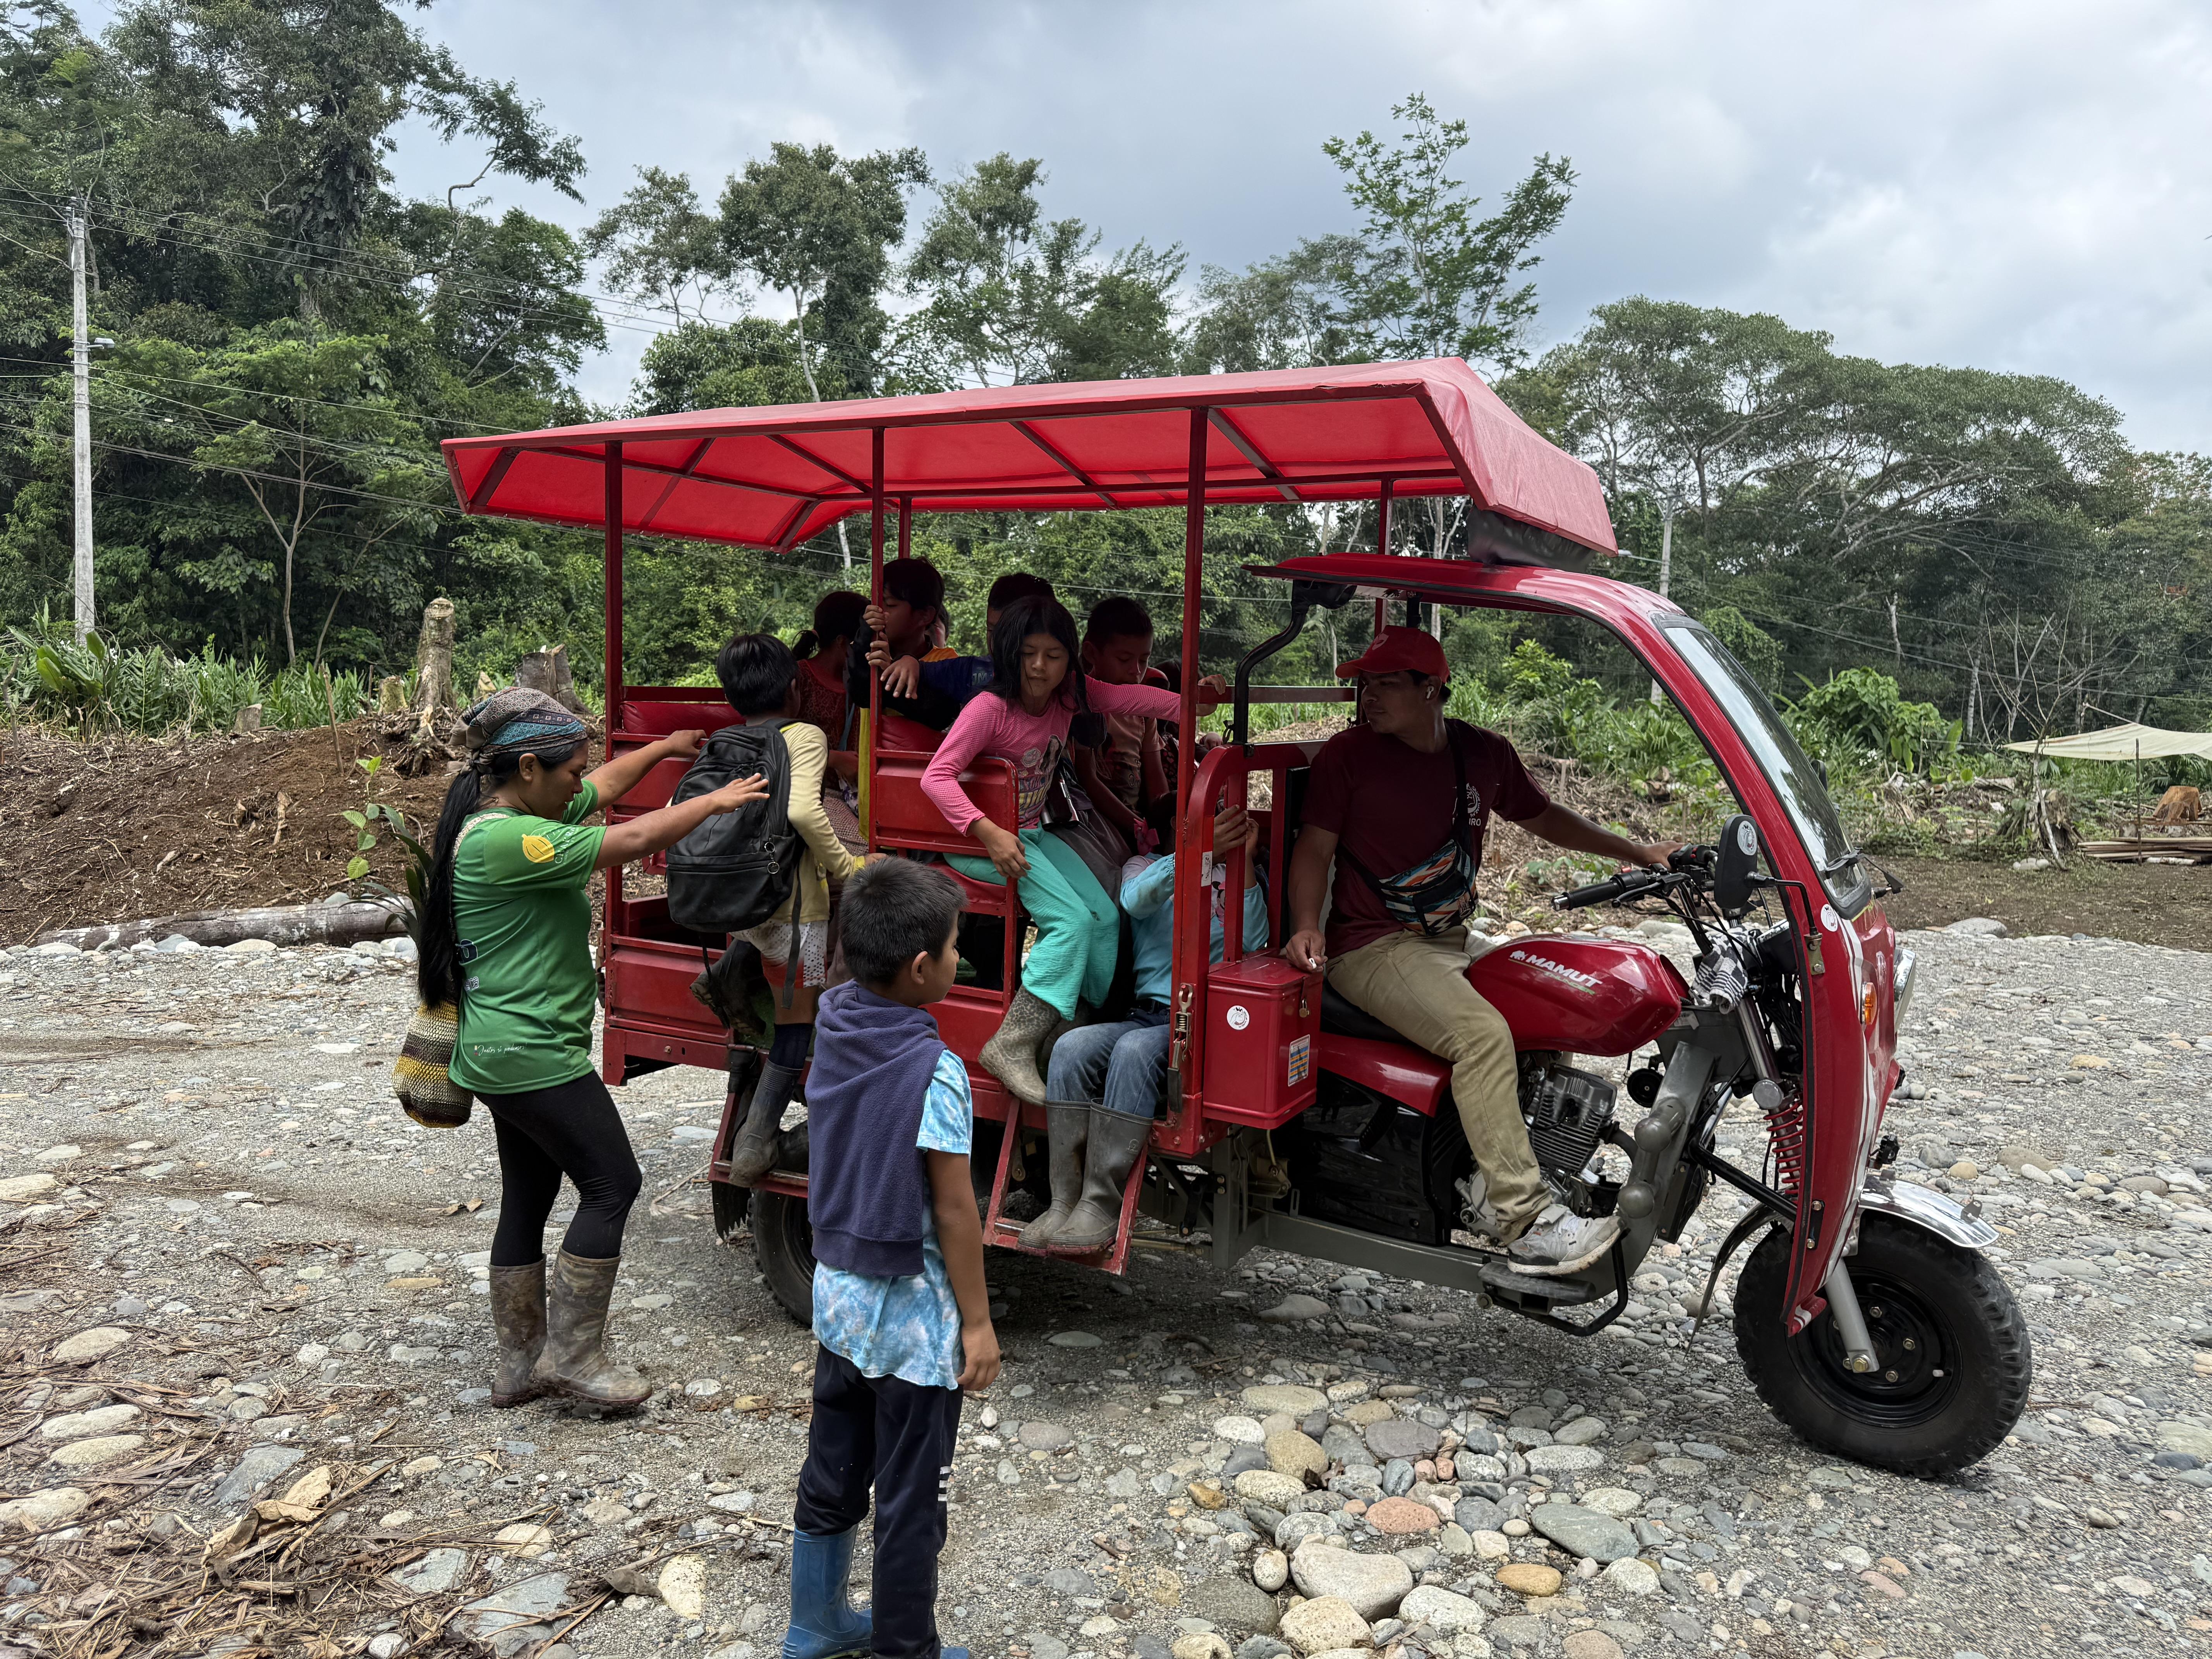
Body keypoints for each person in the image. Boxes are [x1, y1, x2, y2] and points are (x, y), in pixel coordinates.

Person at [1280, 627, 1679, 1275]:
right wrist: (1306, 924)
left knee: (1551, 1002)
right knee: (1482, 1037)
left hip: (1450, 938)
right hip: (1373, 947)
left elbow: (1545, 817)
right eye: (1364, 684)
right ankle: (1524, 1220)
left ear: (1431, 689)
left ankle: (1518, 1164)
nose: (1368, 697)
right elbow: (1314, 848)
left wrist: (1637, 852)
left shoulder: (1483, 752)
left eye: (1385, 684)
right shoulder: (1348, 756)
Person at [419, 689, 768, 1411]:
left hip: (499, 1050)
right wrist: (715, 800)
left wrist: (664, 747)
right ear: (527, 767)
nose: (580, 782)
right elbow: (631, 841)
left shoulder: (514, 815)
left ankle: (520, 1364)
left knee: (530, 1193)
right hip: (531, 1053)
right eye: (570, 770)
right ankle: (575, 1356)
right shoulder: (508, 840)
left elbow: (602, 789)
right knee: (614, 1184)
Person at [781, 857, 999, 1659]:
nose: (958, 959)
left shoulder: (837, 1019)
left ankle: (814, 1623)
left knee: (834, 1465)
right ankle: (906, 1649)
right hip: (912, 1324)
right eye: (954, 948)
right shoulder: (935, 1070)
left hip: (839, 1299)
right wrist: (977, 1324)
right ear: (920, 968)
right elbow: (955, 1209)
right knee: (912, 1499)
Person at [921, 596, 1189, 1106]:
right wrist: (989, 833)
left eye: (1053, 655)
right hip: (979, 842)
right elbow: (936, 777)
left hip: (1031, 835)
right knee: (1072, 922)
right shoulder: (989, 709)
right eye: (1029, 654)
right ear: (1010, 653)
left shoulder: (1070, 698)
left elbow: (1134, 699)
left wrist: (1196, 703)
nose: (1040, 667)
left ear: (1071, 659)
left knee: (1106, 918)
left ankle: (1073, 1029)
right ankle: (1013, 1043)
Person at [1025, 800, 1270, 1255]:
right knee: (1071, 1046)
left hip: (1198, 1024)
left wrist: (1246, 864)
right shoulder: (1144, 865)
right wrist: (1198, 851)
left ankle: (1101, 1204)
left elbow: (1255, 941)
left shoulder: (1236, 877)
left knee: (1135, 1049)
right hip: (1147, 1012)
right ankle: (1064, 1201)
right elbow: (1136, 901)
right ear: (1180, 823)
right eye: (1212, 812)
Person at [709, 634, 866, 1187]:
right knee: (799, 1021)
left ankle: (729, 970)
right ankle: (757, 1140)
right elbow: (802, 809)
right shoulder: (804, 734)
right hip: (793, 910)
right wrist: (848, 866)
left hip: (738, 904)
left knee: (779, 977)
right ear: (796, 689)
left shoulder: (725, 739)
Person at [867, 570, 1058, 715]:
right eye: (991, 630)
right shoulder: (973, 672)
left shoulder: (1065, 687)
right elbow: (926, 671)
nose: (997, 641)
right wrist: (911, 663)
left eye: (1009, 632)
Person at [1069, 596, 1170, 859]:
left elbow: (1157, 787)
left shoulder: (1145, 713)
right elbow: (1088, 781)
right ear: (1092, 653)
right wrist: (1137, 826)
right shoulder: (1080, 705)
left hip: (1138, 829)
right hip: (1095, 826)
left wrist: (1165, 820)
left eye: (1144, 660)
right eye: (1124, 659)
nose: (1136, 671)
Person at [790, 590, 867, 746]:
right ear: (842, 641)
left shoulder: (859, 684)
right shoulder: (799, 677)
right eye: (863, 642)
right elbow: (779, 738)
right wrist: (834, 758)